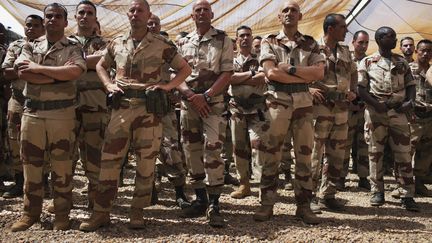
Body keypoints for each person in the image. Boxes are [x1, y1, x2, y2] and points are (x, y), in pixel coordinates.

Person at [79, 0, 191, 231]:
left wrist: (167, 88)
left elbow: (185, 69)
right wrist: (108, 85)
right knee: (109, 161)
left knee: (146, 162)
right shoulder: (117, 42)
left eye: (141, 10)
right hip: (121, 109)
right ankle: (101, 212)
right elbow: (101, 65)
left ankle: (137, 211)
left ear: (148, 14)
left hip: (149, 109)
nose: (136, 14)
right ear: (127, 15)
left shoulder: (161, 43)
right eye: (132, 10)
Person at [10, 3, 87, 231]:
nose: (53, 20)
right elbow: (23, 72)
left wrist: (39, 69)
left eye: (58, 17)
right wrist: (57, 77)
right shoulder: (30, 45)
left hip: (61, 114)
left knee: (62, 167)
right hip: (32, 113)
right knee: (31, 166)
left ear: (65, 22)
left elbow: (75, 71)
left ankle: (62, 214)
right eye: (49, 16)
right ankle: (30, 213)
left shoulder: (73, 47)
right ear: (45, 21)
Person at [258, 0, 324, 224]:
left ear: (300, 16)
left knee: (304, 155)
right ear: (279, 17)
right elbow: (271, 73)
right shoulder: (269, 41)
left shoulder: (311, 43)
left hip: (304, 104)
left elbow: (319, 73)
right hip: (278, 101)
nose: (289, 13)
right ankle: (267, 205)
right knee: (272, 154)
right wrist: (302, 75)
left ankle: (304, 206)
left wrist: (292, 69)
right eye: (285, 10)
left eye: (293, 10)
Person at [176, 0, 233, 227]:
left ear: (212, 14)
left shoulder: (223, 39)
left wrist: (206, 96)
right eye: (197, 10)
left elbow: (227, 72)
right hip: (189, 104)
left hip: (213, 104)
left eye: (205, 10)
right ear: (192, 16)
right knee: (191, 150)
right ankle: (200, 199)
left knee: (213, 150)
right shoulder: (182, 42)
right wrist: (192, 96)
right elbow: (176, 74)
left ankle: (214, 203)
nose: (201, 13)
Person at [358, 26, 419, 212]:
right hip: (376, 113)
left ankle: (407, 194)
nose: (394, 40)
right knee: (376, 153)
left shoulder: (401, 62)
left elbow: (410, 85)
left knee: (403, 154)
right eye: (390, 37)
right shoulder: (367, 62)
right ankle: (377, 192)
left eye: (394, 36)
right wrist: (376, 105)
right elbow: (361, 89)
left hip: (399, 113)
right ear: (380, 39)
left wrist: (409, 103)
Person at [309, 13, 357, 212]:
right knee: (314, 153)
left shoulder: (345, 50)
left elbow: (353, 72)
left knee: (336, 153)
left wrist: (353, 90)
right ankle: (308, 195)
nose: (346, 30)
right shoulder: (313, 48)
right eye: (343, 26)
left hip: (341, 109)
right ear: (331, 29)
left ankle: (327, 195)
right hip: (320, 108)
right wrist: (308, 89)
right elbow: (302, 71)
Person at [146, 13, 190, 208]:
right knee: (144, 149)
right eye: (150, 23)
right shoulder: (131, 44)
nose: (152, 26)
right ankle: (149, 191)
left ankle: (179, 193)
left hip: (164, 105)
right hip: (140, 105)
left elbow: (181, 69)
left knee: (170, 148)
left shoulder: (166, 46)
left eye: (156, 23)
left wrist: (171, 88)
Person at [68, 0, 109, 209]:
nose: (84, 16)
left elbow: (104, 60)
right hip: (66, 107)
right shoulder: (64, 42)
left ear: (95, 18)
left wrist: (76, 62)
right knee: (65, 155)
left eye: (89, 13)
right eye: (81, 13)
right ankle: (63, 199)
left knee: (94, 155)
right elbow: (58, 63)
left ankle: (95, 198)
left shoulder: (104, 43)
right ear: (75, 17)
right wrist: (89, 62)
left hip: (95, 107)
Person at [1, 15, 45, 198]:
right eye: (28, 25)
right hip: (18, 100)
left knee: (42, 142)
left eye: (36, 25)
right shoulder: (15, 46)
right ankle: (20, 181)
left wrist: (22, 70)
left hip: (42, 101)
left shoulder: (48, 46)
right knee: (14, 140)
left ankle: (44, 181)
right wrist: (34, 69)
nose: (31, 29)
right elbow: (6, 72)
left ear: (42, 28)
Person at [228, 25, 266, 199]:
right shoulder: (229, 60)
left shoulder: (261, 59)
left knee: (258, 146)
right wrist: (251, 75)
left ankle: (262, 186)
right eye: (241, 35)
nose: (245, 38)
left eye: (248, 35)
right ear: (236, 39)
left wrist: (240, 78)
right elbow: (229, 78)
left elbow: (263, 77)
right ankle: (244, 184)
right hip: (237, 108)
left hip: (257, 109)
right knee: (239, 148)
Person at [341, 30, 370, 190]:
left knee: (364, 144)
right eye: (360, 42)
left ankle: (364, 177)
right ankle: (341, 176)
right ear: (353, 42)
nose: (364, 46)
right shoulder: (346, 59)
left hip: (364, 109)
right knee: (345, 143)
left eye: (366, 42)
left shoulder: (371, 61)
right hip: (348, 107)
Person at [407, 39, 432, 197]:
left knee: (426, 152)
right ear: (416, 51)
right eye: (422, 50)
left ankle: (419, 182)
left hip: (430, 117)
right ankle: (404, 185)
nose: (425, 53)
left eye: (429, 51)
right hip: (414, 116)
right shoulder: (408, 69)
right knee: (407, 151)